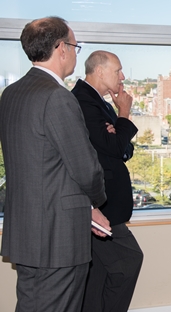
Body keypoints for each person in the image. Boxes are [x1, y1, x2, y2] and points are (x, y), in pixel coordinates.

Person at [0, 16, 110, 311]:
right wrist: (97, 202)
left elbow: (41, 163)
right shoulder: (57, 97)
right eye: (75, 46)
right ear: (61, 48)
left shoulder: (11, 94)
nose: (76, 52)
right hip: (57, 239)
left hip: (26, 233)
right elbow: (84, 166)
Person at [72, 50, 143, 312]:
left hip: (105, 205)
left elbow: (124, 149)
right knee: (129, 260)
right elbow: (114, 146)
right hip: (99, 207)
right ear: (99, 71)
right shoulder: (83, 101)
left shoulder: (98, 102)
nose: (123, 77)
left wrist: (118, 133)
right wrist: (123, 114)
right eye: (118, 70)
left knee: (98, 274)